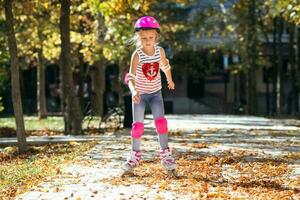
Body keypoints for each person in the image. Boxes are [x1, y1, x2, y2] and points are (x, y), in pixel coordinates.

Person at [123, 16, 176, 175]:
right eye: (144, 38)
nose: (147, 41)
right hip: (140, 94)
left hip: (155, 94)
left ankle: (166, 155)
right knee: (137, 127)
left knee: (161, 123)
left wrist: (170, 80)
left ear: (156, 37)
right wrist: (133, 91)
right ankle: (134, 156)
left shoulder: (159, 51)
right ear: (138, 37)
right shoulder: (137, 55)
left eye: (151, 37)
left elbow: (165, 67)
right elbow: (131, 77)